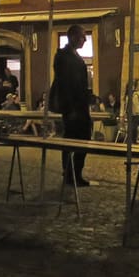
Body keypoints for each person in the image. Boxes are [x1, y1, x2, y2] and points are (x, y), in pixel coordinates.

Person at [53, 25, 93, 186]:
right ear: (74, 37)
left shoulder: (72, 55)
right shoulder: (64, 56)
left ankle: (74, 173)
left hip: (78, 104)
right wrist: (72, 108)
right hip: (73, 106)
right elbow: (66, 84)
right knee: (74, 139)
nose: (84, 39)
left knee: (80, 139)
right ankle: (71, 174)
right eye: (83, 36)